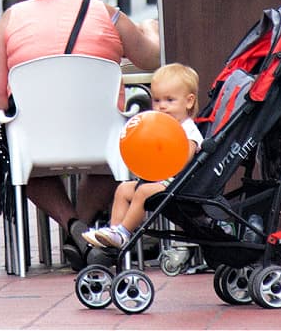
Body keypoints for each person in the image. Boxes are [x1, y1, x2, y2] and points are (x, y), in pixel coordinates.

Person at [0, 0, 160, 266]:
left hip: (36, 140)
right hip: (101, 138)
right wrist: (151, 28)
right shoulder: (106, 15)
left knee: (20, 157)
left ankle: (72, 225)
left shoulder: (11, 20)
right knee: (117, 147)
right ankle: (86, 226)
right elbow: (150, 59)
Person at [82, 62, 202, 250]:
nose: (162, 106)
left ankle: (124, 232)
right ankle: (112, 235)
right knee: (123, 189)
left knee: (143, 192)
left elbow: (182, 161)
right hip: (159, 181)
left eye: (170, 100)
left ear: (189, 101)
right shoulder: (160, 127)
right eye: (157, 100)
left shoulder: (188, 131)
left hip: (179, 185)